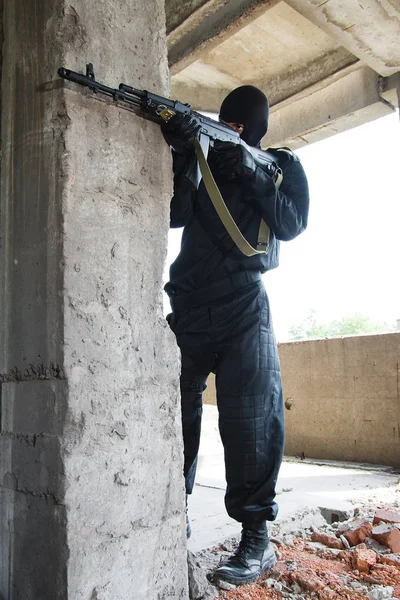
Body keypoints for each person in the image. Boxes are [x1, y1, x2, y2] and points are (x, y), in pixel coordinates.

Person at [162, 85, 309, 586]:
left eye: (241, 125)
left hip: (245, 303)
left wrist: (249, 171)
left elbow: (291, 222)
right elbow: (176, 215)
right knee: (173, 412)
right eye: (227, 124)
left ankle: (256, 542)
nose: (235, 131)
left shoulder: (278, 162)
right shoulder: (202, 156)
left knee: (251, 420)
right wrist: (183, 152)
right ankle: (170, 512)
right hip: (189, 301)